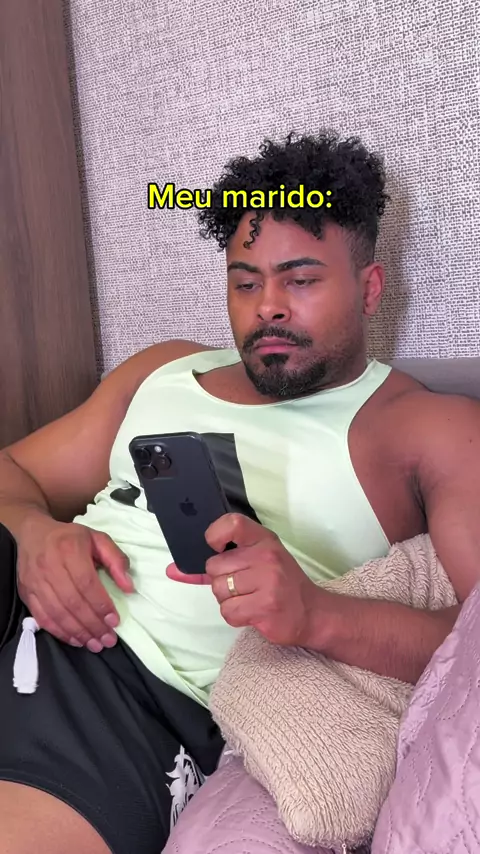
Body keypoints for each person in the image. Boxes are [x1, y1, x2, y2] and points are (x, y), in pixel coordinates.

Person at [0, 131, 479, 854]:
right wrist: (36, 532)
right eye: (246, 283)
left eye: (301, 280)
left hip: (140, 696)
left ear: (370, 287)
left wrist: (319, 616)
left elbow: (472, 650)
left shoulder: (430, 429)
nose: (268, 308)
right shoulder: (163, 369)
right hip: (22, 601)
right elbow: (15, 470)